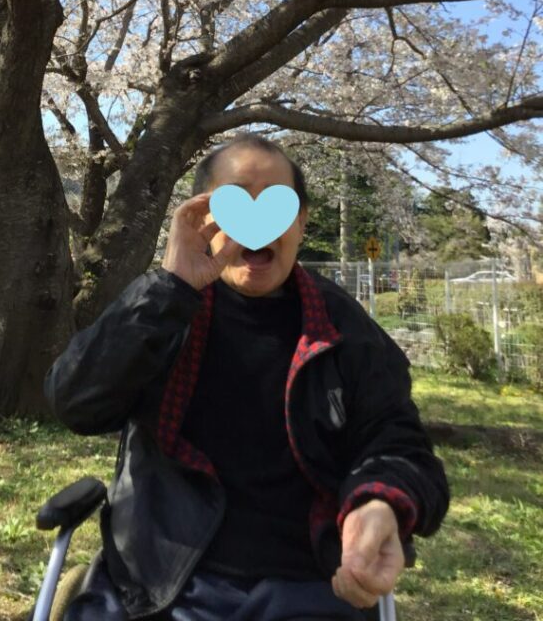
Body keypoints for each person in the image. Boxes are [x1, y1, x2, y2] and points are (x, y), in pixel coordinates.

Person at [44, 134, 449, 621]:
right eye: (235, 206)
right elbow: (75, 403)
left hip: (308, 586)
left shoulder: (347, 333)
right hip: (155, 584)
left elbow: (398, 442)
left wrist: (378, 502)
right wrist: (168, 288)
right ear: (202, 218)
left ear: (301, 221)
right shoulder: (163, 313)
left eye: (277, 207)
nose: (258, 228)